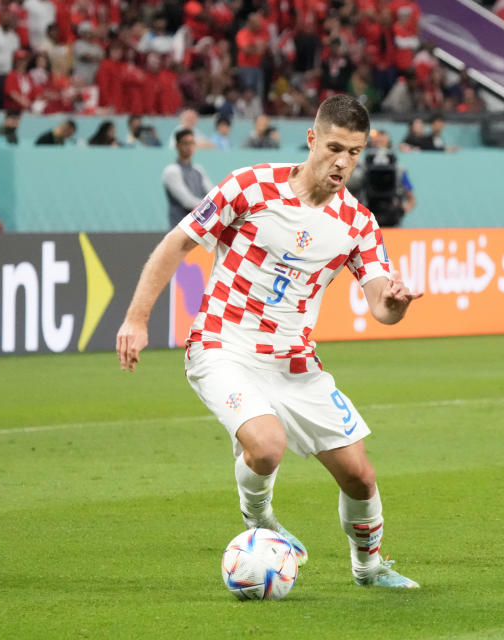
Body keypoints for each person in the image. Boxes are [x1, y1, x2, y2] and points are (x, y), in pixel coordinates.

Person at [116, 94, 423, 589]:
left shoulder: (358, 223)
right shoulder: (251, 186)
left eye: (354, 152)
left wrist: (399, 301)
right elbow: (179, 241)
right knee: (266, 446)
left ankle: (368, 569)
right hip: (223, 344)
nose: (343, 162)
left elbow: (381, 307)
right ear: (311, 139)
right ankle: (259, 518)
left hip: (294, 362)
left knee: (360, 476)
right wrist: (136, 318)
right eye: (334, 147)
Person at [347, 129, 416, 227]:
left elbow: (411, 199)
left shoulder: (398, 170)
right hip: (364, 220)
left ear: (388, 144)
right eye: (376, 143)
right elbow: (348, 190)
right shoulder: (361, 166)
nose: (379, 146)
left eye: (382, 143)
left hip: (391, 220)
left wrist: (401, 210)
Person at [162, 128, 213, 228]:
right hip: (180, 228)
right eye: (186, 143)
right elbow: (187, 201)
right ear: (177, 146)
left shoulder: (198, 170)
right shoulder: (171, 171)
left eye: (192, 143)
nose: (189, 147)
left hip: (199, 228)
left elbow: (212, 194)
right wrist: (212, 207)